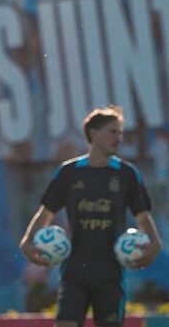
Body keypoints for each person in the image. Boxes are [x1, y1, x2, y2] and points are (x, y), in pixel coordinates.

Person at [19, 105, 163, 327]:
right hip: (75, 272)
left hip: (111, 273)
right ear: (94, 134)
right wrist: (27, 242)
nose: (119, 138)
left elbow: (143, 217)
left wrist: (154, 243)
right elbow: (45, 214)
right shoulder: (69, 172)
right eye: (113, 131)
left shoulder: (126, 173)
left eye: (121, 132)